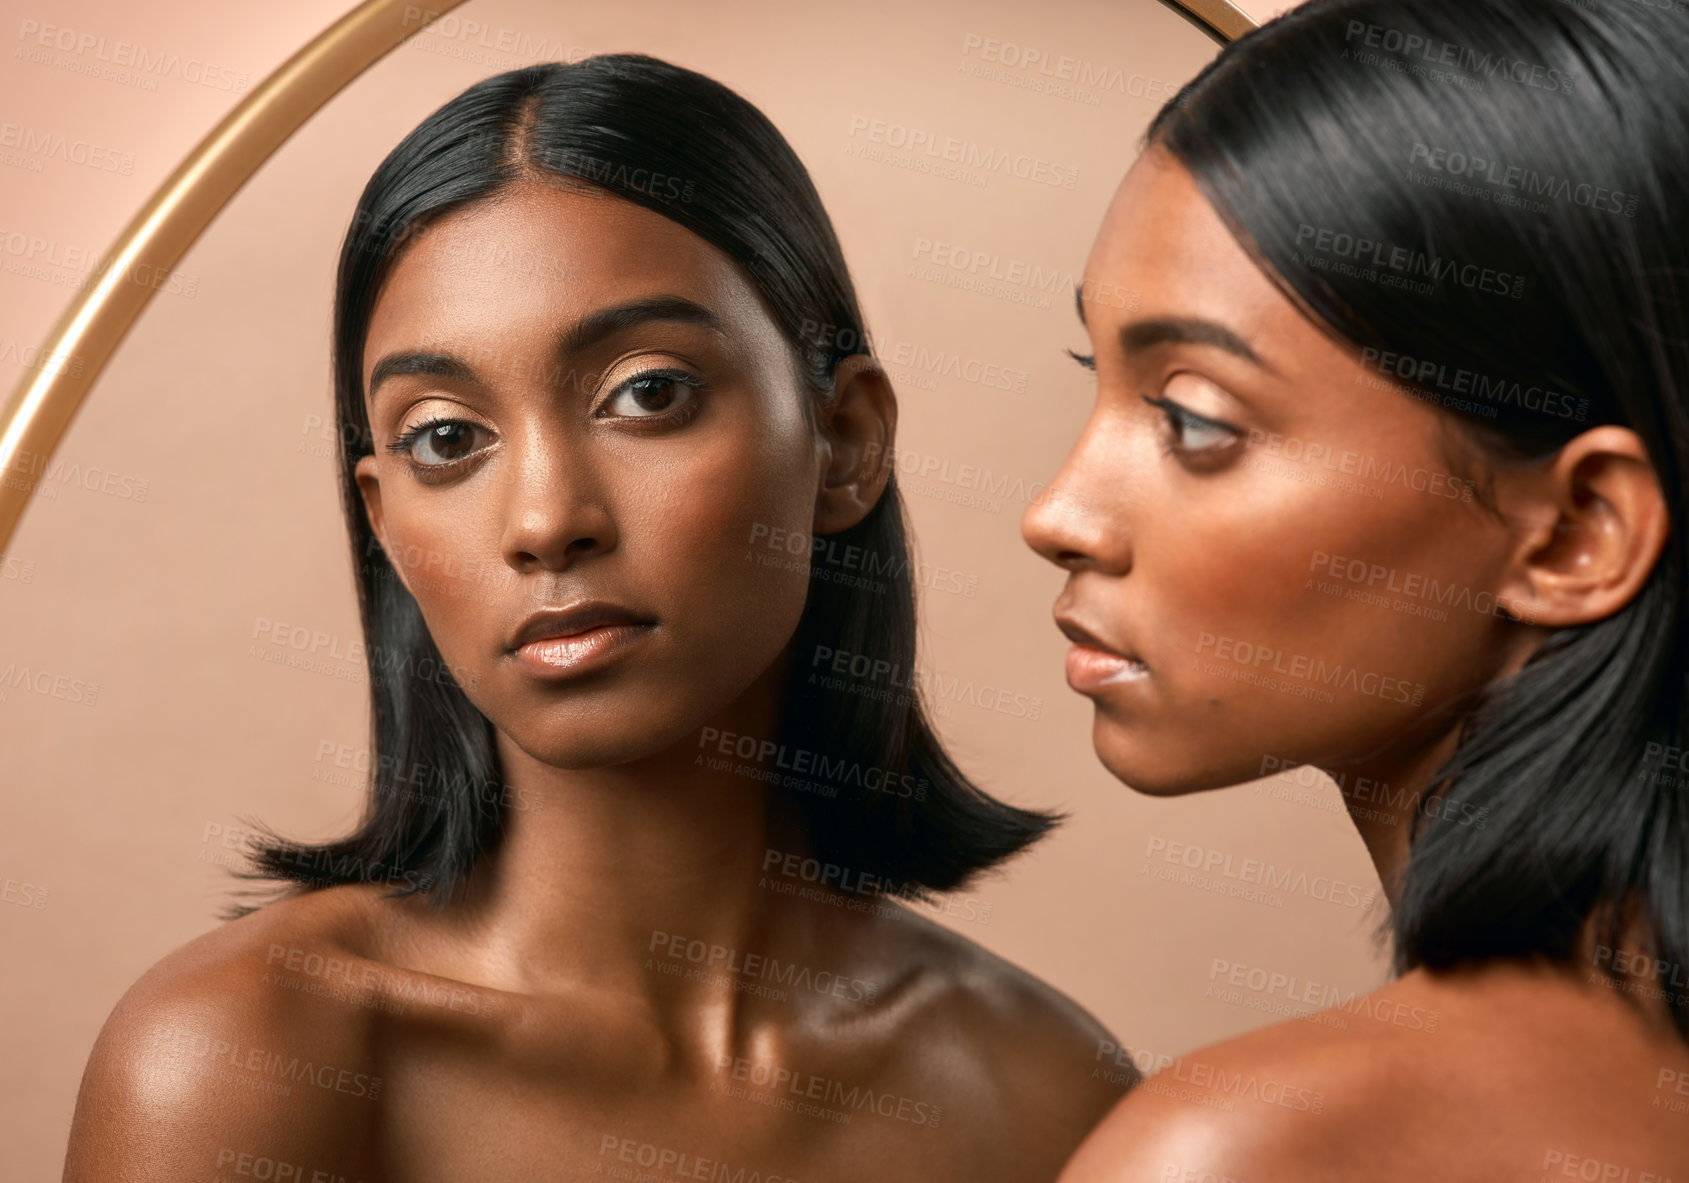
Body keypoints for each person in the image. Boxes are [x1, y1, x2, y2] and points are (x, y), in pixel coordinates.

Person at [61, 54, 1129, 1182]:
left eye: (648, 392)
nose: (543, 520)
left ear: (846, 442)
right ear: (384, 519)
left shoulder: (1046, 1096)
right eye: (443, 436)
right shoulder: (245, 1058)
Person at [1022, 0, 1689, 1176]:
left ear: (1577, 534)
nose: (1059, 514)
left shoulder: (1254, 1149)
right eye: (1101, 376)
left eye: (1193, 421)